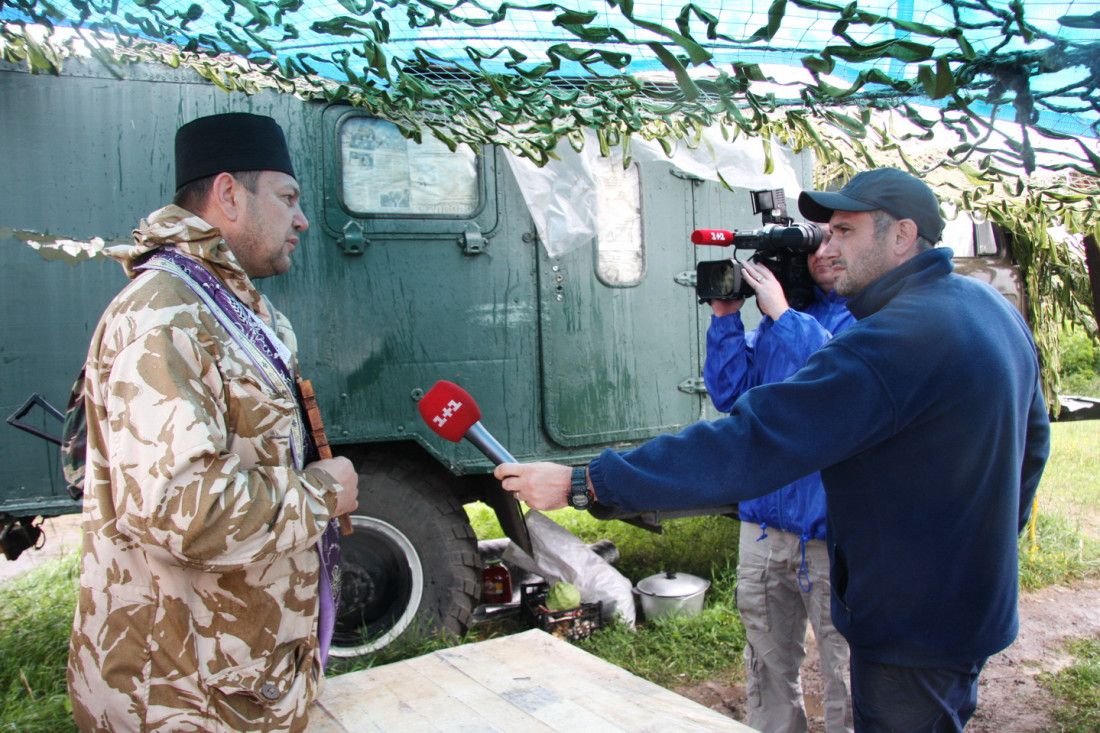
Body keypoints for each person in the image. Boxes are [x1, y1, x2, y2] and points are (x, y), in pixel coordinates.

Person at [496, 168, 1051, 732]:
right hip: (969, 608)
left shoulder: (894, 340)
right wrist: (989, 547)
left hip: (912, 625)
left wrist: (586, 482)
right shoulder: (988, 308)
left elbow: (751, 442)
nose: (827, 247)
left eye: (844, 232)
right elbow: (1033, 444)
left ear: (902, 235)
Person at [66, 112, 359, 732]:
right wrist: (324, 493)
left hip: (234, 679)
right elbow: (180, 508)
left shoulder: (222, 306)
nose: (302, 219)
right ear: (229, 194)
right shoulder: (164, 317)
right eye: (287, 198)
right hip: (178, 695)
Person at [705, 230, 854, 733]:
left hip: (831, 534)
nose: (828, 254)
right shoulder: (774, 326)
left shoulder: (865, 313)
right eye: (814, 249)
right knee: (767, 665)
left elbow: (838, 382)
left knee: (846, 668)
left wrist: (783, 314)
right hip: (765, 530)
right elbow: (729, 395)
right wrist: (726, 316)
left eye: (838, 239)